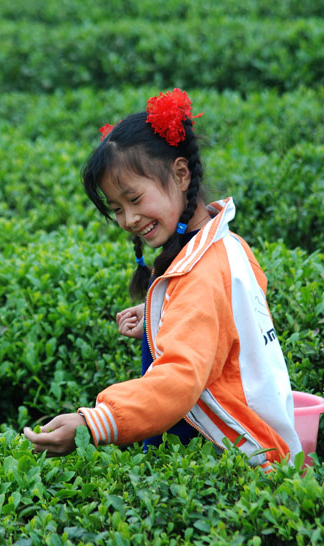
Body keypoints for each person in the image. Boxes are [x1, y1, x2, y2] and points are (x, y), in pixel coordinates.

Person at [24, 88, 302, 472]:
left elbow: (180, 379)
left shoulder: (198, 273)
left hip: (230, 454)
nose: (129, 219)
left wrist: (95, 422)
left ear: (181, 174)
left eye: (135, 198)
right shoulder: (227, 244)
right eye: (117, 209)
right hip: (257, 440)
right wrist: (165, 313)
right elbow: (225, 317)